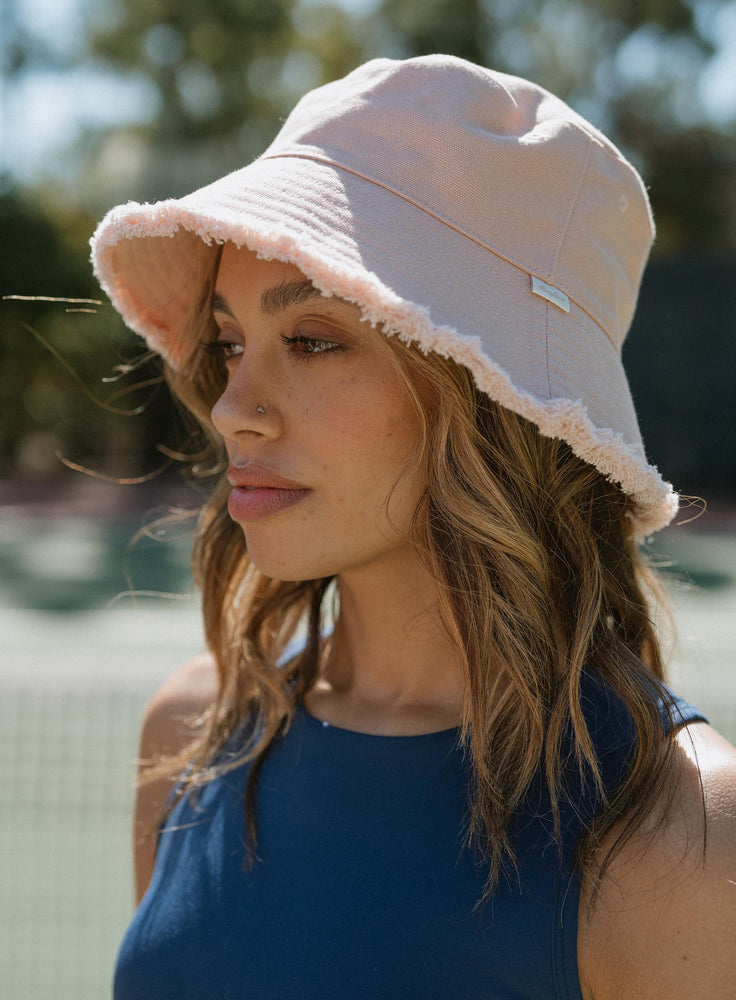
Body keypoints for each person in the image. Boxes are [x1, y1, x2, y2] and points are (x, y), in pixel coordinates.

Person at [91, 55, 736, 999]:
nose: (233, 407)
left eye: (312, 340)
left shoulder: (680, 834)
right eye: (230, 344)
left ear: (495, 401)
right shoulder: (196, 731)